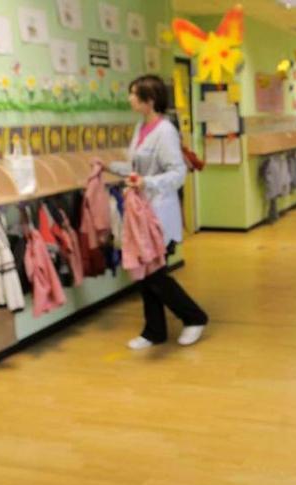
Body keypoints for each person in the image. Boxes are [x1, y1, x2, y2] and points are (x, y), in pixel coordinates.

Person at [94, 74, 208, 349]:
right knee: (145, 274)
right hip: (141, 212)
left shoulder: (165, 131)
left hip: (159, 212)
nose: (130, 98)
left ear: (150, 100)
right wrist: (111, 167)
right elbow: (138, 168)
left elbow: (178, 172)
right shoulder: (141, 128)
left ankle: (194, 317)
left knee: (155, 274)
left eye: (134, 94)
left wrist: (148, 183)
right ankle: (154, 331)